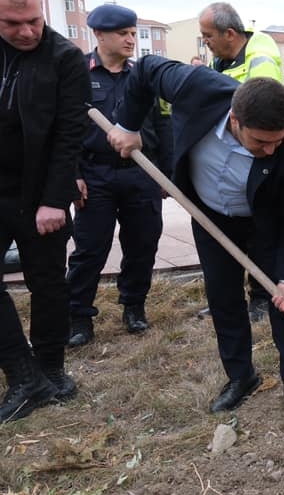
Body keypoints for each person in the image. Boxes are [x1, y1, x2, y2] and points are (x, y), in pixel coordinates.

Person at [107, 58, 284, 426]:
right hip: (210, 216)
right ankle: (242, 376)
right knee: (223, 298)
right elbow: (143, 71)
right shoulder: (196, 87)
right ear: (235, 121)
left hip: (268, 220)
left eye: (277, 142)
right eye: (260, 142)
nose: (270, 150)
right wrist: (127, 125)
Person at [0, 0, 89, 421]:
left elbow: (71, 133)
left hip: (40, 194)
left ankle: (52, 369)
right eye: (12, 24)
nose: (26, 32)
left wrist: (55, 199)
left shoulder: (65, 59)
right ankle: (22, 374)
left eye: (33, 21)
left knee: (48, 282)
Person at [65, 4, 172, 347]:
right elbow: (64, 130)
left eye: (132, 33)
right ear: (98, 34)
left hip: (140, 174)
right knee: (90, 249)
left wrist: (164, 174)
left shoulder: (144, 76)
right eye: (122, 34)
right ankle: (79, 315)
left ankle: (134, 306)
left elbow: (161, 125)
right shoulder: (76, 73)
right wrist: (73, 174)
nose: (131, 40)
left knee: (143, 244)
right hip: (93, 176)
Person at [198, 1, 283, 321]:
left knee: (261, 237)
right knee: (224, 239)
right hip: (225, 161)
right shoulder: (220, 61)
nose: (205, 41)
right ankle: (225, 297)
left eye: (208, 36)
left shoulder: (260, 52)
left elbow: (256, 101)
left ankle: (261, 298)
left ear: (230, 33)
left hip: (257, 160)